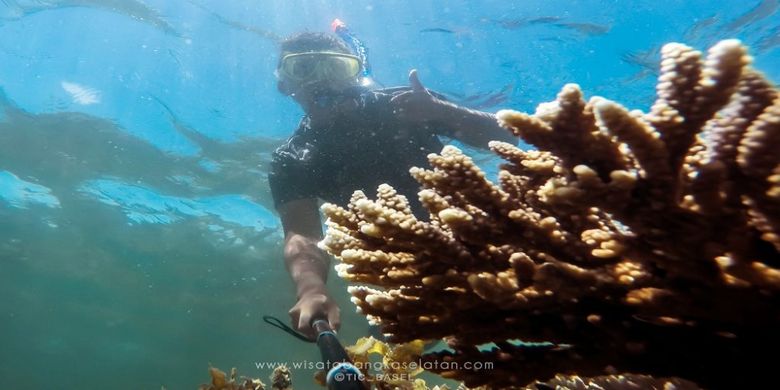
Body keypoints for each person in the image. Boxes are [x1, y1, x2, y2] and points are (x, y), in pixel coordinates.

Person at [268, 32, 516, 339]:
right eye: (304, 69)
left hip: (482, 237)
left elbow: (508, 138)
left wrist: (443, 112)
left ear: (356, 72)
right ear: (285, 85)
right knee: (398, 344)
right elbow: (302, 234)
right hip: (406, 269)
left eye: (336, 68)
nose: (324, 81)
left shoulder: (407, 104)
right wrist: (311, 289)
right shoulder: (292, 159)